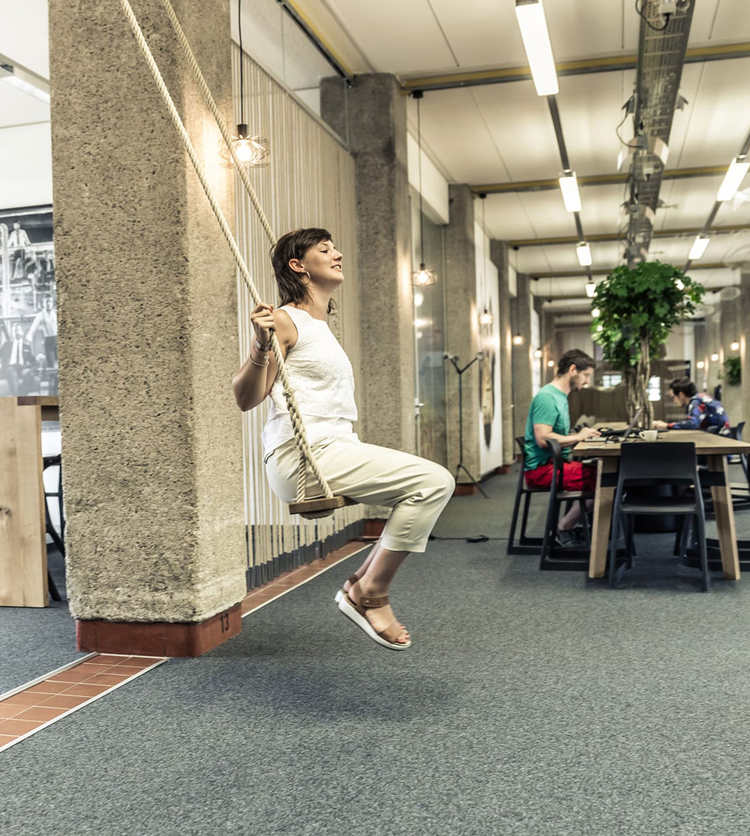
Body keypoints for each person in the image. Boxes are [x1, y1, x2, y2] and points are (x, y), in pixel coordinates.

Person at [232, 228, 455, 651]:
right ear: (299, 266)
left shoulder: (320, 326)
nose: (337, 254)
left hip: (335, 449)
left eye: (334, 247)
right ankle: (370, 594)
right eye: (325, 249)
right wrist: (260, 347)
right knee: (435, 482)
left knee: (425, 489)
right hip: (303, 457)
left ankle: (360, 585)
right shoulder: (284, 320)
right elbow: (246, 399)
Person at [523, 349, 600, 547]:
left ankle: (579, 526)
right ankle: (565, 527)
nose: (586, 381)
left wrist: (580, 436)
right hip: (541, 470)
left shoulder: (559, 396)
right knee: (605, 479)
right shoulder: (547, 397)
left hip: (555, 465)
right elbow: (543, 438)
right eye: (586, 375)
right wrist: (578, 437)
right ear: (573, 370)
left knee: (605, 474)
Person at [653, 378, 731, 435]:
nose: (674, 401)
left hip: (718, 445)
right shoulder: (701, 398)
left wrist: (667, 425)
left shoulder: (696, 402)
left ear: (681, 395)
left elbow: (693, 424)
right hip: (722, 439)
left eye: (673, 397)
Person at [0, 322, 36, 395]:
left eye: (18, 330)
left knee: (30, 374)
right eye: (14, 331)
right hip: (9, 368)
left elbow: (34, 361)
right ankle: (16, 397)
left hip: (22, 368)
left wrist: (29, 368)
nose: (16, 332)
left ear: (22, 333)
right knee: (12, 372)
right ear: (12, 334)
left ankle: (21, 396)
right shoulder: (7, 345)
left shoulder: (26, 347)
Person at [26, 294, 58, 368]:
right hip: (48, 341)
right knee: (51, 364)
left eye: (49, 301)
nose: (48, 304)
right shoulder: (41, 315)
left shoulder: (56, 313)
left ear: (52, 303)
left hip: (58, 339)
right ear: (43, 303)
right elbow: (33, 328)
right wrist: (28, 339)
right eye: (46, 302)